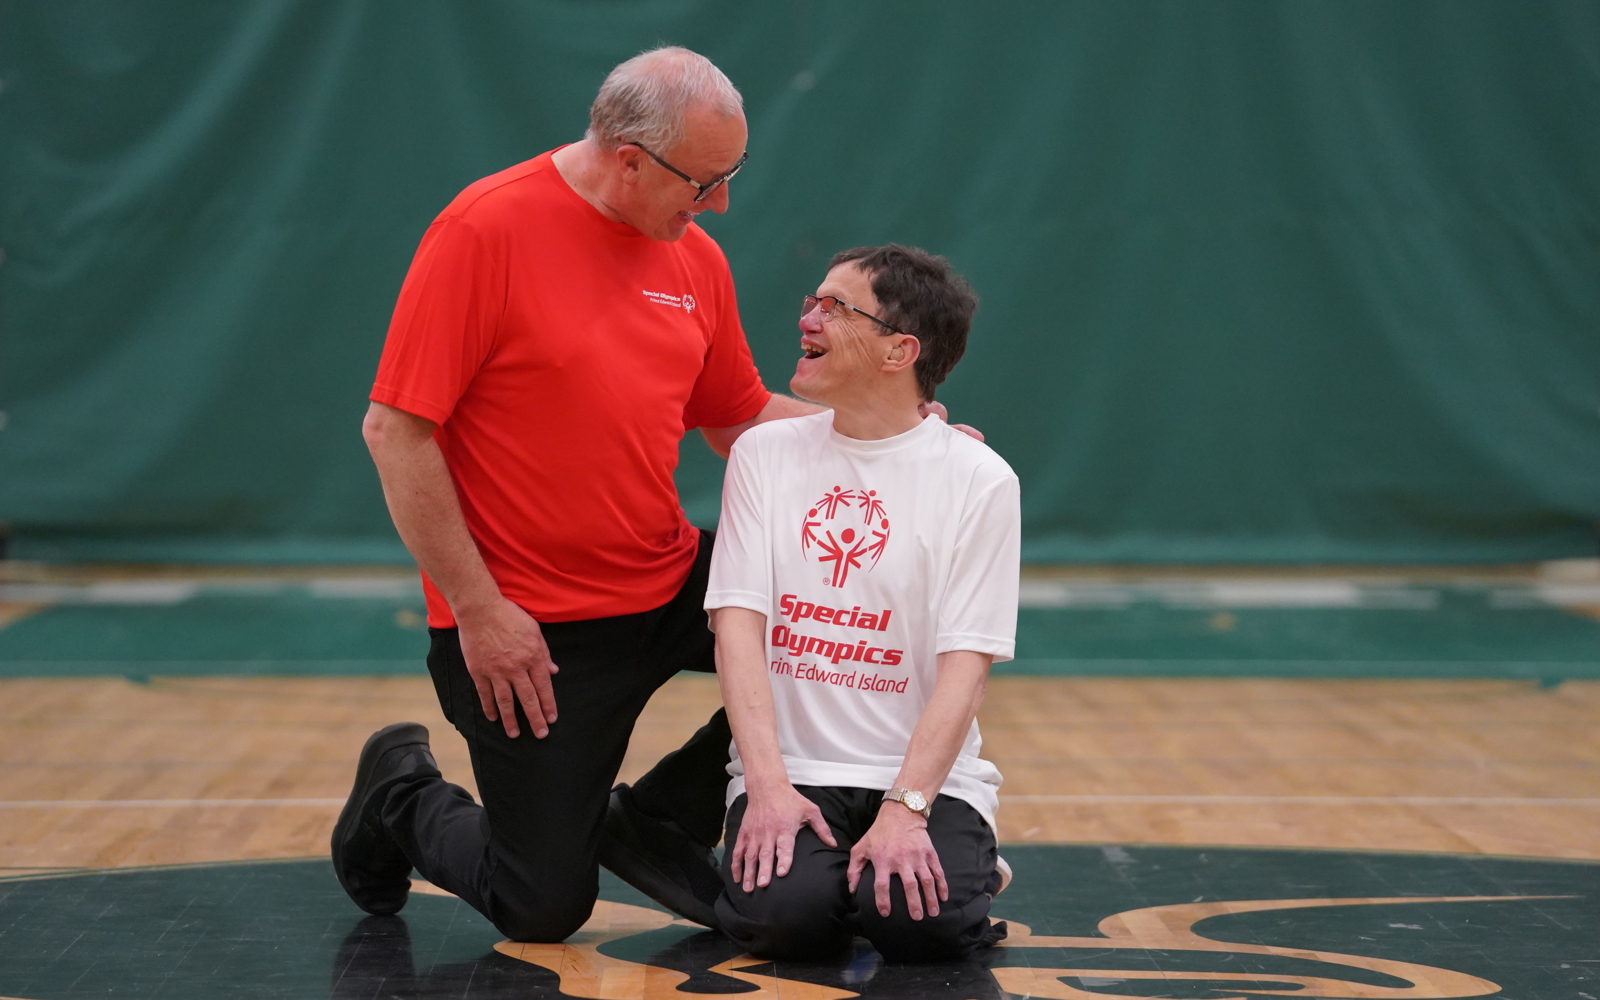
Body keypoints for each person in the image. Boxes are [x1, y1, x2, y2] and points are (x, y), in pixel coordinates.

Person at [332, 47, 977, 942]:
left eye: (731, 175)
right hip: (529, 626)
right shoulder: (484, 230)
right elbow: (394, 432)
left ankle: (659, 815)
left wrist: (913, 443)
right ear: (630, 157)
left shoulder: (694, 260)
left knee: (856, 624)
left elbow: (739, 415)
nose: (719, 202)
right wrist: (478, 609)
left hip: (666, 578)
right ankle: (401, 794)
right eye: (704, 180)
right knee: (541, 907)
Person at [705, 244, 1019, 961]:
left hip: (919, 780)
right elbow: (737, 631)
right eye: (812, 301)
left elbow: (966, 669)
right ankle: (810, 876)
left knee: (924, 928)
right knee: (787, 924)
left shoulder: (980, 480)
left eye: (833, 307)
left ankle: (969, 862)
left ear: (898, 350)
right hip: (795, 772)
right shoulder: (765, 456)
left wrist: (907, 811)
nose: (805, 318)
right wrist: (766, 786)